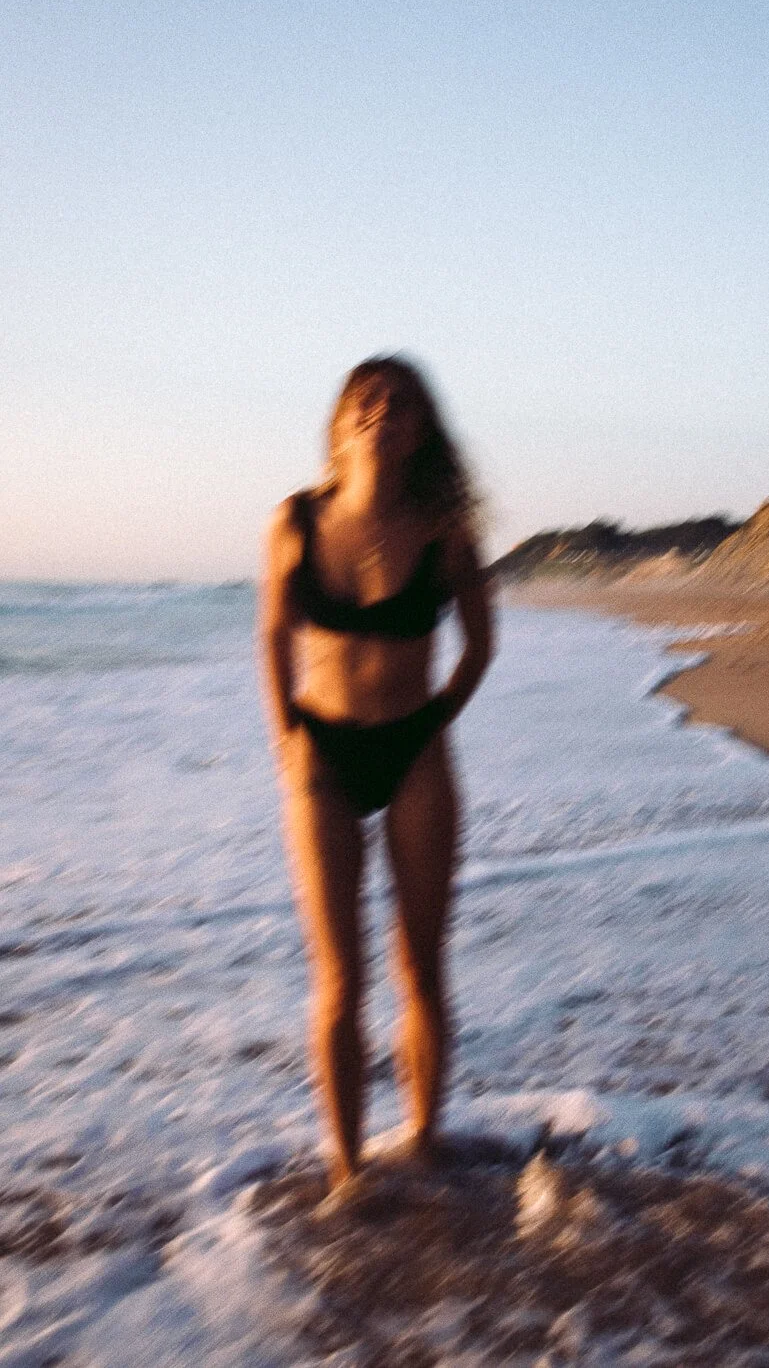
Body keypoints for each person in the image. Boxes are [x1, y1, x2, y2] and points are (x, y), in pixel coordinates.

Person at [258, 354, 493, 1196]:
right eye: (367, 398)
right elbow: (274, 635)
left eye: (400, 402)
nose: (381, 411)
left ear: (422, 428)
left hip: (416, 756)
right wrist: (287, 734)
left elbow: (479, 644)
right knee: (339, 977)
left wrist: (435, 721)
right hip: (322, 756)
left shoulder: (446, 530)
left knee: (421, 966)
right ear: (341, 422)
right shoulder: (295, 520)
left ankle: (424, 1142)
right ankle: (347, 1171)